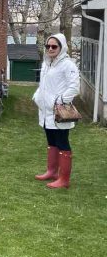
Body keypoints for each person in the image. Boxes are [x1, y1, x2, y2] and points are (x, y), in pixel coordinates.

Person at [32, 33, 79, 189]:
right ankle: (52, 171)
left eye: (54, 46)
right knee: (51, 142)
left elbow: (74, 87)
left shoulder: (68, 65)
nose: (50, 49)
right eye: (48, 46)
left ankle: (64, 179)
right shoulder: (47, 63)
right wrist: (37, 96)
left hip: (59, 112)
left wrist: (59, 101)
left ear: (61, 47)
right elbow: (44, 85)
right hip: (46, 112)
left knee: (62, 142)